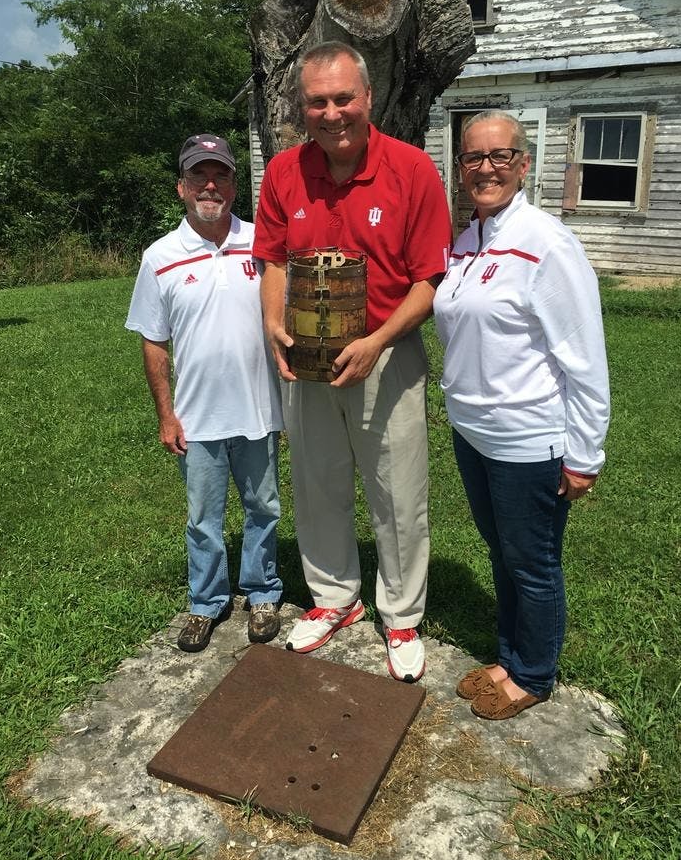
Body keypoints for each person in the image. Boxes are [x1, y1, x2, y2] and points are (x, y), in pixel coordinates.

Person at [255, 41, 452, 683]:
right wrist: (273, 323)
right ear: (302, 106)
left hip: (385, 353)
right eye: (318, 101)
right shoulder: (285, 172)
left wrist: (377, 342)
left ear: (368, 98)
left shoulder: (412, 170)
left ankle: (400, 615)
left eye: (344, 98)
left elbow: (428, 280)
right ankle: (334, 597)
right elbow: (274, 258)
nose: (332, 113)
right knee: (317, 484)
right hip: (308, 356)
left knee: (397, 492)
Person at [434, 110, 610, 719]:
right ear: (460, 168)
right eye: (472, 158)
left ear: (524, 163)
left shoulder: (546, 243)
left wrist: (585, 454)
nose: (485, 168)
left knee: (532, 562)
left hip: (527, 437)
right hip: (473, 433)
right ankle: (509, 655)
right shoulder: (467, 239)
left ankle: (532, 674)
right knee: (500, 550)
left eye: (499, 157)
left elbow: (585, 359)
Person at [126, 133, 284, 652]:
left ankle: (262, 592)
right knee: (203, 518)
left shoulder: (262, 246)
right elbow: (154, 342)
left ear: (236, 185)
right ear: (181, 187)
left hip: (259, 409)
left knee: (263, 507)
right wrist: (166, 415)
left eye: (220, 175)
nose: (210, 185)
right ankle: (206, 602)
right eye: (199, 175)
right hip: (196, 417)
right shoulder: (159, 257)